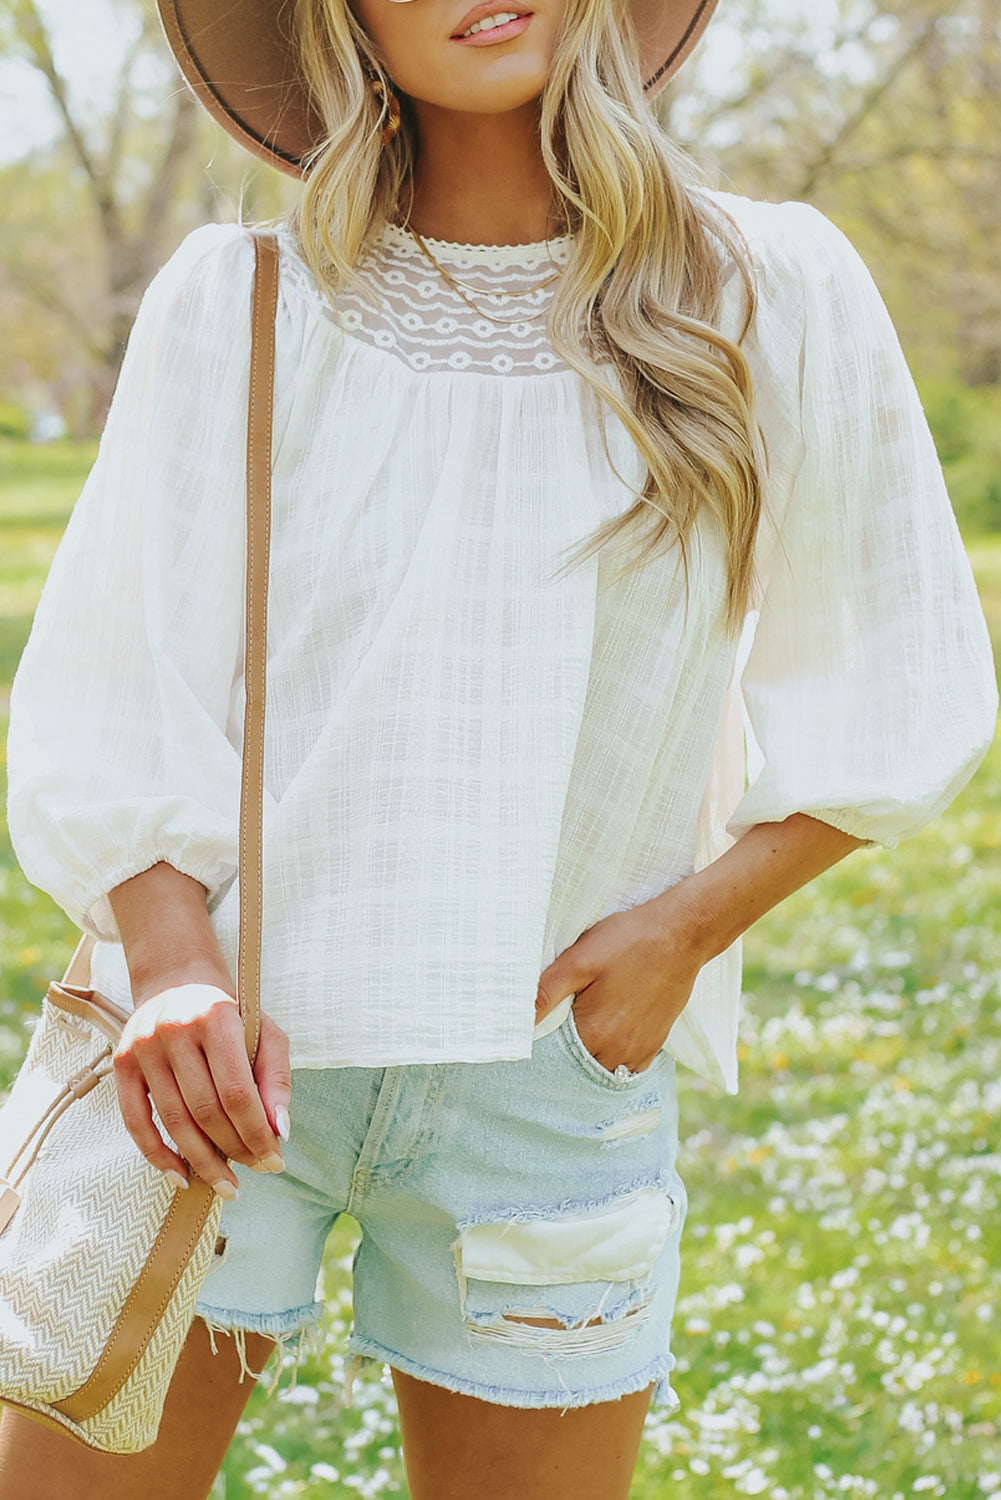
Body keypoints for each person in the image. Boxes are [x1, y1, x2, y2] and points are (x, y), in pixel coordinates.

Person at [0, 0, 996, 1495]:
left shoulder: (764, 290)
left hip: (549, 1076)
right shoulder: (244, 297)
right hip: (219, 1063)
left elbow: (900, 683)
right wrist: (172, 963)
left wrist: (676, 937)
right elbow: (112, 690)